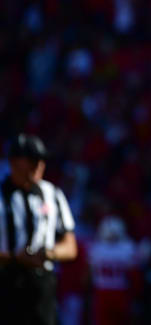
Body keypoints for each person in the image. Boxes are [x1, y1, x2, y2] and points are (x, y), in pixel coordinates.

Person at [0, 133, 77, 325]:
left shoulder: (53, 194)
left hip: (42, 287)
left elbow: (70, 246)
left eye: (41, 160)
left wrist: (49, 253)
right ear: (14, 162)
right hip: (5, 284)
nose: (39, 165)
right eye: (33, 160)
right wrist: (15, 257)